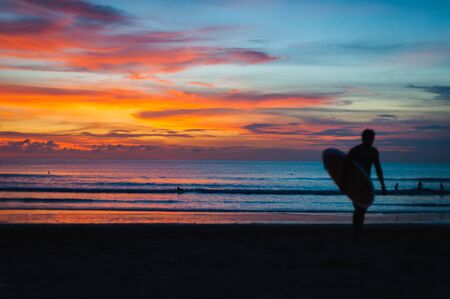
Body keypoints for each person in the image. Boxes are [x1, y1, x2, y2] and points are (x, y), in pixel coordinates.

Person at [340, 129, 386, 242]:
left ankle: (357, 234)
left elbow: (378, 168)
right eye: (370, 138)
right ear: (364, 138)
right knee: (358, 209)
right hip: (355, 184)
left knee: (362, 209)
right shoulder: (355, 151)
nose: (371, 141)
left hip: (366, 184)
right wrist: (343, 184)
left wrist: (383, 185)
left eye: (372, 139)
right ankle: (356, 235)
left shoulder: (373, 151)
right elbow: (345, 168)